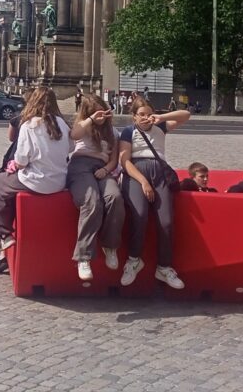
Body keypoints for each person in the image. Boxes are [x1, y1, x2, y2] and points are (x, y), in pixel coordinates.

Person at [0, 87, 70, 275]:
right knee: (5, 186)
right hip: (59, 182)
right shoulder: (62, 123)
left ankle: (2, 233)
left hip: (36, 181)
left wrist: (16, 164)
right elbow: (69, 148)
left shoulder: (30, 125)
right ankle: (0, 235)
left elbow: (21, 160)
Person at [119, 99, 191, 290]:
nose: (145, 117)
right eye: (141, 114)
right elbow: (125, 161)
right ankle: (133, 260)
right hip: (136, 172)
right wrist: (143, 181)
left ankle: (164, 267)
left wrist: (161, 117)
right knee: (140, 215)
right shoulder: (128, 131)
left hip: (159, 172)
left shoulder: (160, 126)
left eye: (148, 113)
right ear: (134, 116)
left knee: (166, 221)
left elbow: (186, 115)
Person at [66, 95, 124, 281]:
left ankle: (110, 245)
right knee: (92, 201)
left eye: (103, 111)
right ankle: (84, 257)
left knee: (114, 197)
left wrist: (106, 169)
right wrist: (90, 120)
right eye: (95, 112)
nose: (101, 116)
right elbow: (74, 135)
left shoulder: (113, 132)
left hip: (103, 168)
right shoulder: (83, 126)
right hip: (80, 165)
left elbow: (114, 159)